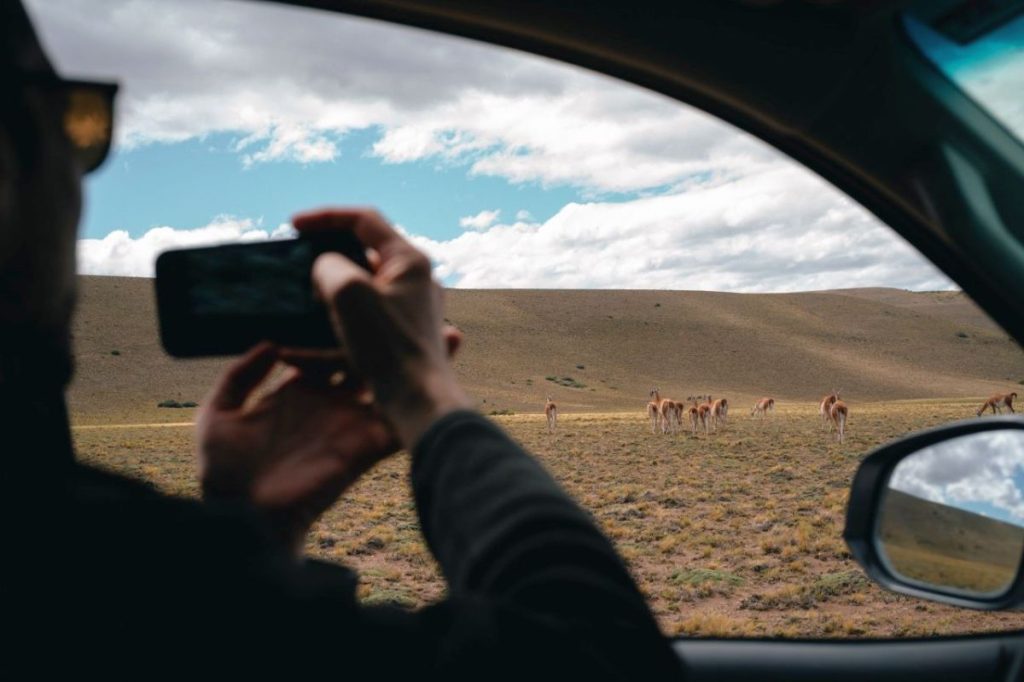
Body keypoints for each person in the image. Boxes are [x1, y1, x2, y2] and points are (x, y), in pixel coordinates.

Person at [2, 2, 683, 678]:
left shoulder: (62, 562)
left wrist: (245, 537)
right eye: (72, 122)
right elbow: (599, 657)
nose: (76, 164)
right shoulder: (77, 553)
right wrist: (427, 395)